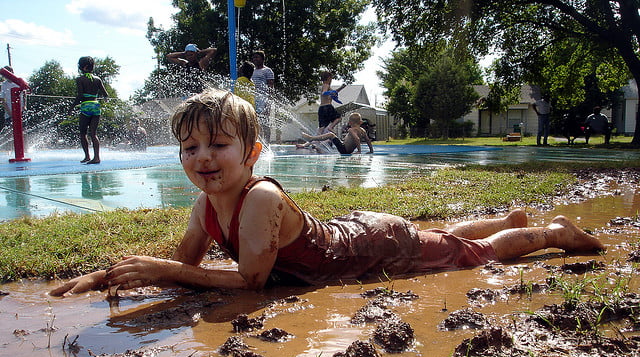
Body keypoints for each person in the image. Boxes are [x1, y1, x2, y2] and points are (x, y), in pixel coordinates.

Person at [48, 89, 605, 297]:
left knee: (467, 255)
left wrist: (166, 272)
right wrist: (110, 276)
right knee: (436, 238)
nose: (203, 158)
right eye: (190, 148)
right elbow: (178, 268)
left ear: (252, 152)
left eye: (218, 144)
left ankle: (554, 232)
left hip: (370, 246)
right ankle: (510, 217)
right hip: (363, 233)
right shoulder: (203, 206)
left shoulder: (261, 200)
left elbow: (249, 283)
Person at [70, 57, 109, 164]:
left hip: (86, 106)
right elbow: (106, 95)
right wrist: (104, 100)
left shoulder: (80, 79)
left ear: (84, 67)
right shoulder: (98, 79)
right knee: (93, 133)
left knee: (83, 133)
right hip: (96, 106)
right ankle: (97, 158)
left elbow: (80, 95)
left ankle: (87, 156)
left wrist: (72, 107)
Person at [302, 112, 374, 154]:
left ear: (349, 122)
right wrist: (371, 150)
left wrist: (359, 151)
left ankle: (312, 138)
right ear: (361, 122)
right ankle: (318, 147)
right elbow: (368, 140)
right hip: (347, 149)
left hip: (344, 149)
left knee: (331, 135)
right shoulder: (363, 130)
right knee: (334, 138)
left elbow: (357, 138)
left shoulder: (351, 130)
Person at [250, 51, 275, 142]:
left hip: (263, 99)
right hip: (253, 98)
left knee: (265, 122)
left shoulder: (267, 70)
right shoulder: (252, 71)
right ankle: (258, 141)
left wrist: (268, 102)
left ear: (262, 59)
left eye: (257, 57)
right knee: (255, 122)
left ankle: (267, 142)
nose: (255, 59)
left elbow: (271, 86)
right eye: (253, 58)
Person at [0, 66, 25, 131]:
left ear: (12, 72)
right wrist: (9, 112)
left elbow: (24, 93)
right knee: (10, 131)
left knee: (23, 130)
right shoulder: (4, 85)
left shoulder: (19, 81)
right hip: (9, 113)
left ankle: (25, 141)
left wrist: (24, 105)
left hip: (21, 111)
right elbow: (2, 100)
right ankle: (11, 141)